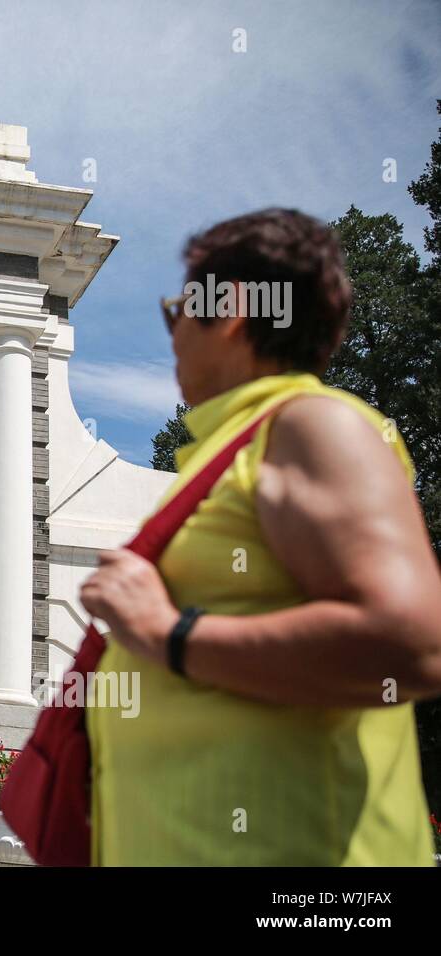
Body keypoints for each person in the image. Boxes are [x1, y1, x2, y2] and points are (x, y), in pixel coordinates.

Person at [80, 208, 441, 865]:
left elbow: (411, 641)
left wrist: (170, 635)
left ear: (233, 308)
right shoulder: (237, 454)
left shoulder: (313, 427)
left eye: (176, 311)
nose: (172, 336)